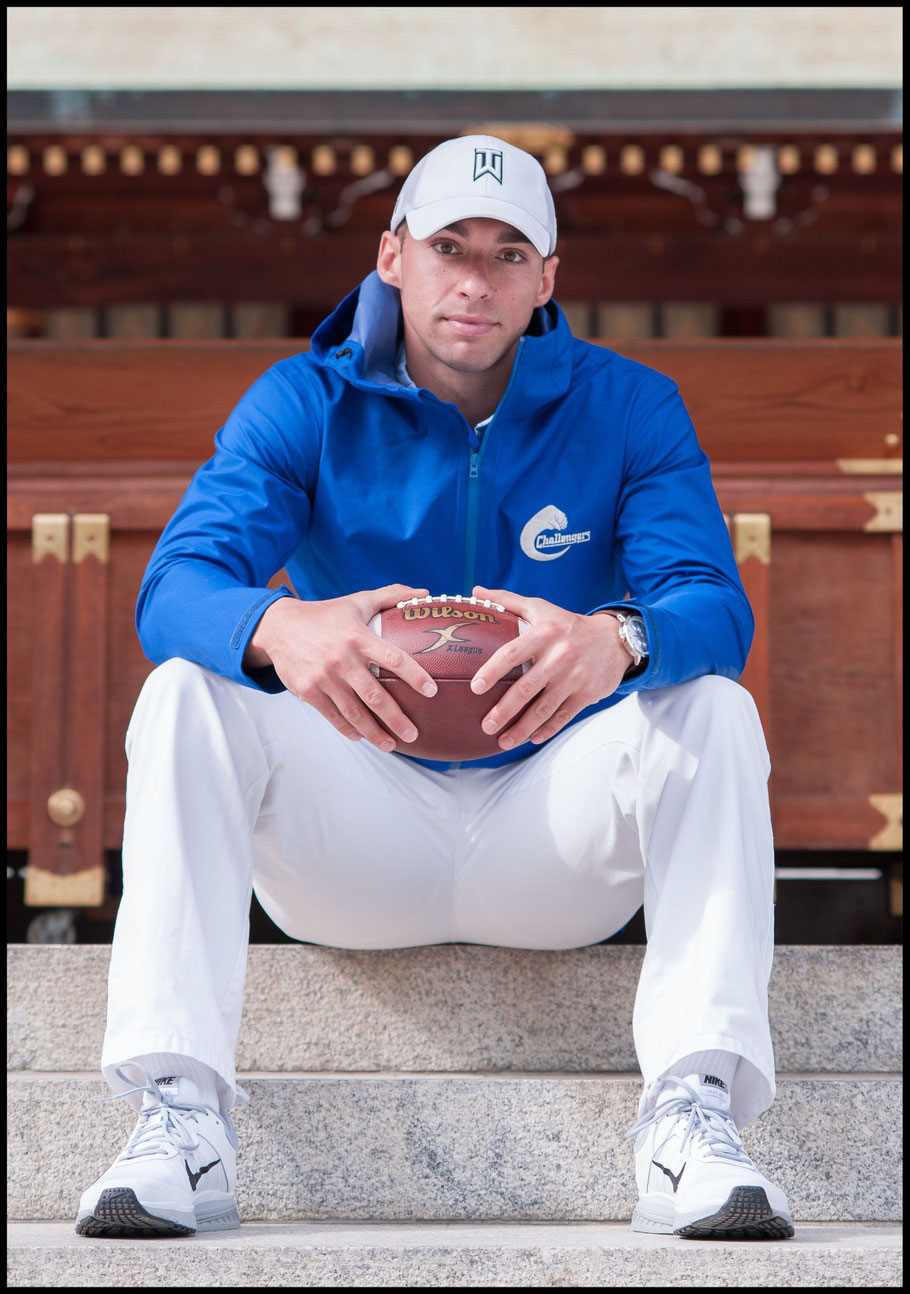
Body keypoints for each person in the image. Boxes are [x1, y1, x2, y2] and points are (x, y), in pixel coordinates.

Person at [76, 134, 794, 1241]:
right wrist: (277, 624)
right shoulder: (301, 401)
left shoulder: (630, 407)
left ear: (548, 279)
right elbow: (174, 587)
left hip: (547, 834)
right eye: (449, 245)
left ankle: (691, 1117)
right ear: (392, 254)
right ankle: (179, 1114)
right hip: (354, 828)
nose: (476, 278)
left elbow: (714, 605)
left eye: (510, 253)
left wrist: (620, 635)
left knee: (713, 707)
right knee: (186, 691)